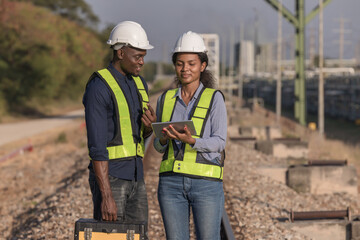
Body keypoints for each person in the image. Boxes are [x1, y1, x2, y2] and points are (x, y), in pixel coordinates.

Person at [82, 20, 156, 232]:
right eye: (138, 57)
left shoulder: (139, 84)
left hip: (136, 177)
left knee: (139, 235)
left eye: (144, 56)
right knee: (111, 236)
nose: (142, 62)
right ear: (121, 53)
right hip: (112, 179)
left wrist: (149, 127)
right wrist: (106, 195)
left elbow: (140, 136)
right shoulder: (99, 86)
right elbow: (96, 146)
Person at [153, 31, 227, 240]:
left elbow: (219, 142)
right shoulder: (165, 99)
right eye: (180, 63)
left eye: (191, 63)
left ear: (202, 66)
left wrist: (192, 141)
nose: (185, 69)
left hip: (206, 184)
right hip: (171, 184)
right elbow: (159, 147)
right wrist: (164, 138)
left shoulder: (215, 99)